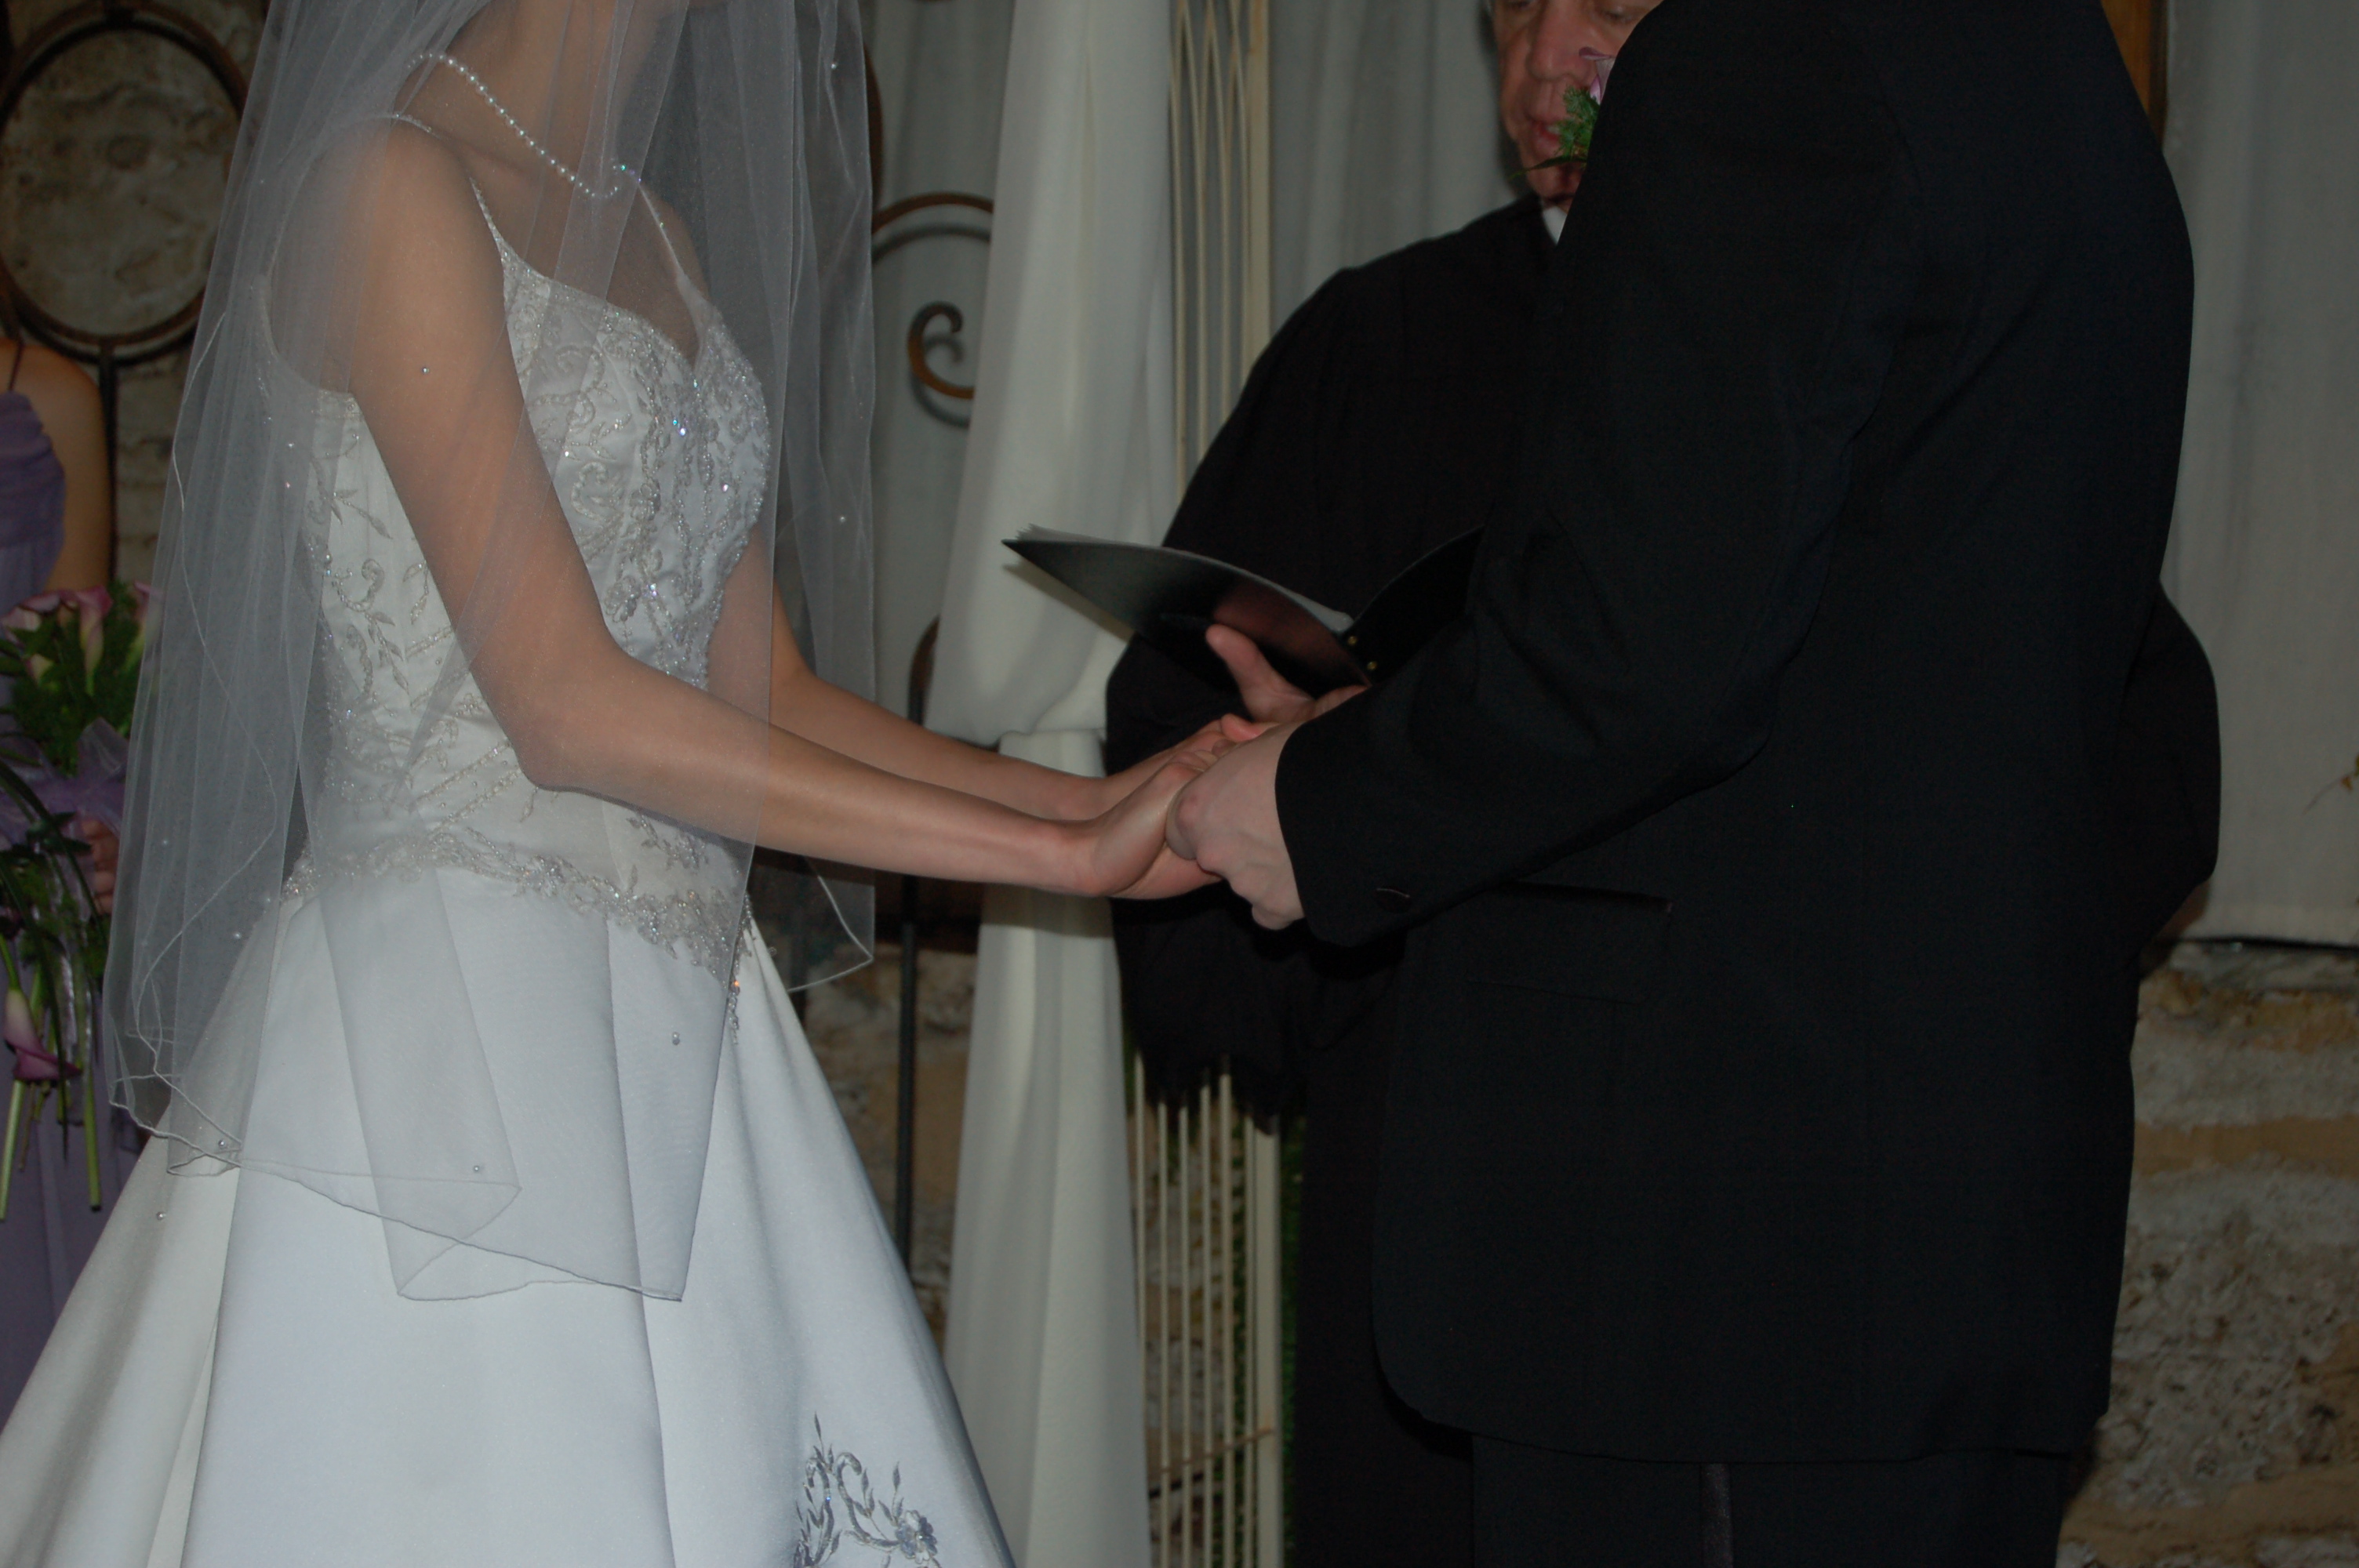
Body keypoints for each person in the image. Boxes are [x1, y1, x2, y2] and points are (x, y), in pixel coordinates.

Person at [0, 2, 1237, 1563]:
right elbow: (564, 705)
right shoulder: (390, 182)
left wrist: (1099, 805)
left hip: (680, 1020)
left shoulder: (652, 232)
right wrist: (1059, 863)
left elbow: (768, 692)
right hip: (449, 1041)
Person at [1169, 0, 2217, 1562]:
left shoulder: (1771, 50)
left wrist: (1309, 805)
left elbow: (1645, 649)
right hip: (1936, 1231)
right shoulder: (2046, 62)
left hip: (1719, 1249)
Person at [1102, 4, 1637, 1559]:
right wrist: (1298, 759)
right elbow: (1180, 684)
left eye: (1609, 3)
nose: (1548, 57)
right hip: (1423, 1106)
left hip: (1716, 1130)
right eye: (1513, 11)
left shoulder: (1822, 329)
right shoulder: (1381, 334)